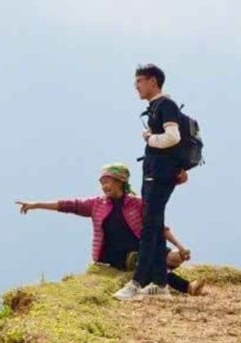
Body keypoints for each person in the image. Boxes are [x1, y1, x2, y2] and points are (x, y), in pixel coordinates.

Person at [15, 163, 205, 295]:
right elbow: (68, 205)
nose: (104, 186)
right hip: (115, 254)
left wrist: (180, 247)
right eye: (102, 182)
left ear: (120, 181)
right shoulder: (96, 204)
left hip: (143, 246)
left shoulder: (137, 203)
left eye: (108, 181)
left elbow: (159, 226)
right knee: (144, 261)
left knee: (174, 258)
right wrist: (36, 204)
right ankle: (187, 287)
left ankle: (176, 279)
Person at [114, 64, 192, 301]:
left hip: (160, 175)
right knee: (155, 227)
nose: (136, 86)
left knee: (149, 227)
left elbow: (173, 137)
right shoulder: (155, 107)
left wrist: (149, 138)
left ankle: (137, 283)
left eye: (139, 81)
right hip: (153, 173)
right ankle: (160, 284)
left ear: (153, 81)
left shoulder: (166, 105)